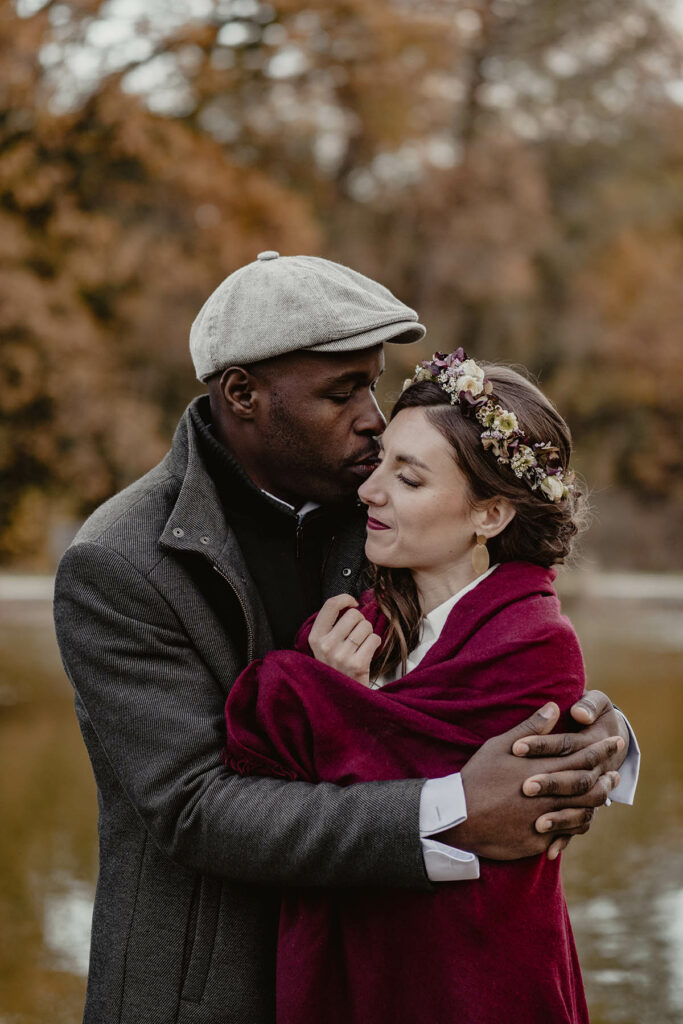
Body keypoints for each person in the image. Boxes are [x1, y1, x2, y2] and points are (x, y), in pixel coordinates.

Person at [53, 254, 637, 1024]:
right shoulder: (118, 563)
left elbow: (487, 627)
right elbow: (196, 807)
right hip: (209, 990)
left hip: (388, 975)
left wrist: (585, 741)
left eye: (372, 381)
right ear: (242, 394)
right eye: (341, 391)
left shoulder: (374, 499)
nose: (371, 415)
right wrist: (454, 810)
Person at [223, 350, 601, 1022]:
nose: (370, 491)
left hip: (477, 981)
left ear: (488, 515)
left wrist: (319, 695)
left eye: (410, 478)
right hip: (360, 975)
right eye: (380, 465)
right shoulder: (355, 625)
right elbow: (264, 780)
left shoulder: (535, 644)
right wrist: (328, 682)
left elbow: (479, 808)